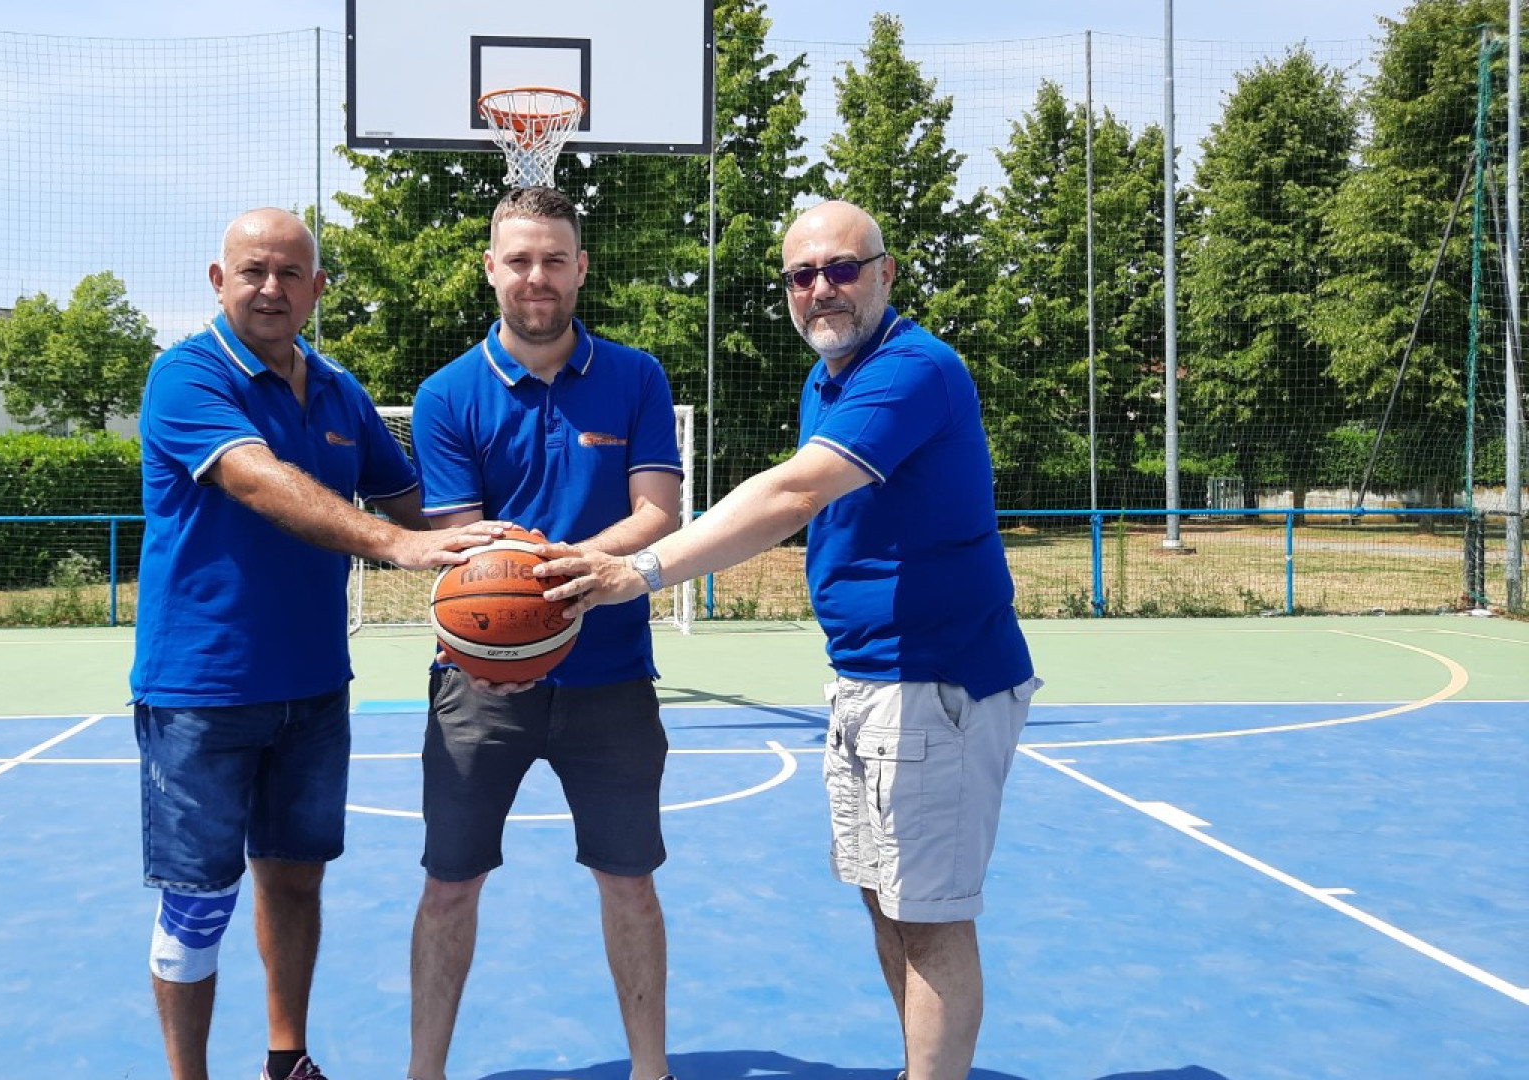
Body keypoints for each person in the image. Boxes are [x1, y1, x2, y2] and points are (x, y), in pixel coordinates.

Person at [537, 199, 1039, 1080]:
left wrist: (640, 571)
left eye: (842, 269)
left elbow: (792, 495)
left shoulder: (913, 369)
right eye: (802, 277)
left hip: (936, 679)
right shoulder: (831, 376)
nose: (821, 290)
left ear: (886, 272)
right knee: (889, 903)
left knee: (929, 918)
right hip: (869, 678)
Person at [130, 208, 504, 1080]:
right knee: (198, 904)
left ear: (318, 289)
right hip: (201, 690)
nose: (271, 287)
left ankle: (285, 1058)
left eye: (291, 273)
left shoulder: (338, 392)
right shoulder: (185, 378)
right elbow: (259, 480)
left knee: (296, 880)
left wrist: (522, 547)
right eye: (253, 271)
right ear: (217, 282)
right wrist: (392, 545)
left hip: (312, 688)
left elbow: (421, 506)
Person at [404, 186, 685, 1080]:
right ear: (490, 269)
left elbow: (657, 513)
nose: (537, 277)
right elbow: (465, 545)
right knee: (449, 885)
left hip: (611, 677)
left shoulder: (636, 376)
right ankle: (425, 1073)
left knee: (629, 881)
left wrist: (566, 577)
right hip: (480, 680)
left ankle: (651, 1071)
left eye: (554, 259)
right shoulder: (448, 394)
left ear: (581, 268)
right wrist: (527, 600)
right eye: (519, 259)